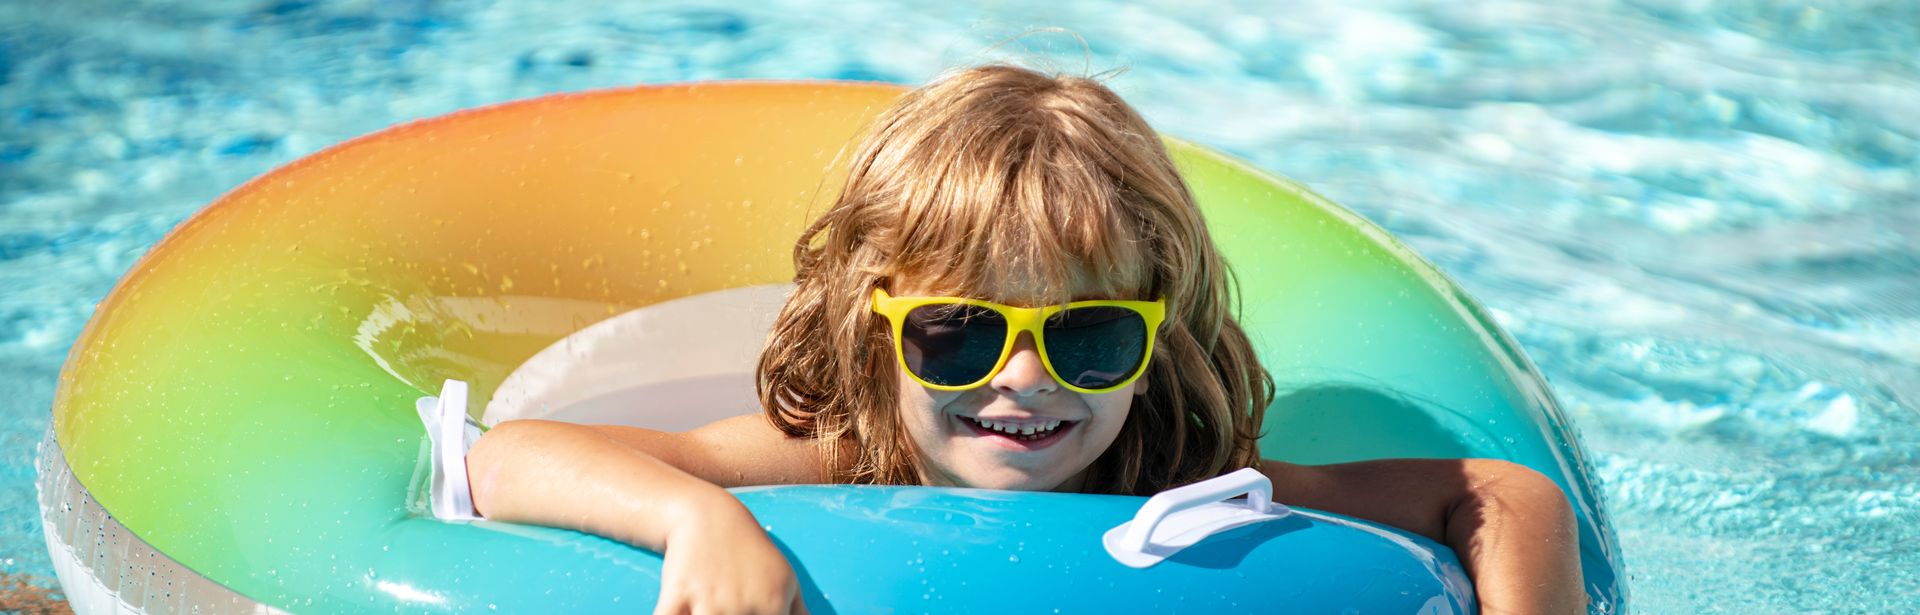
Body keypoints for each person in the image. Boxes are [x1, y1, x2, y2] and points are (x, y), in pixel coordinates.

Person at [466, 64, 1585, 615]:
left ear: (1158, 339)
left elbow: (1506, 499)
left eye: (1092, 337)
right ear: (877, 322)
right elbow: (505, 457)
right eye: (956, 335)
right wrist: (694, 517)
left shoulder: (1175, 484)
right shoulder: (838, 463)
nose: (1023, 381)